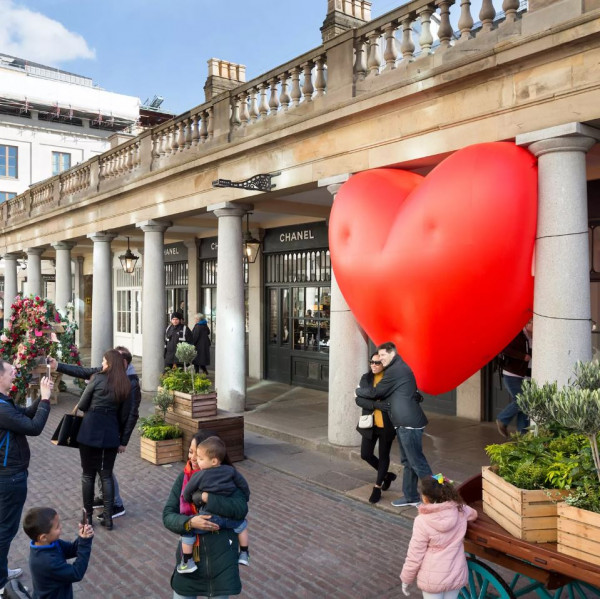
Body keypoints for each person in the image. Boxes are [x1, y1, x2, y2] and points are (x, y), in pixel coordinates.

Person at [48, 346, 141, 519]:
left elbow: (131, 414)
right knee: (103, 472)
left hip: (106, 433)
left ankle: (115, 504)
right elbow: (84, 371)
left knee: (100, 472)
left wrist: (123, 440)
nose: (103, 364)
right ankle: (106, 504)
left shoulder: (131, 382)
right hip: (106, 432)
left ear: (123, 362)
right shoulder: (106, 373)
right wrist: (58, 366)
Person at [163, 433, 248, 599]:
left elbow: (240, 508)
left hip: (222, 563)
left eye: (198, 454)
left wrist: (209, 498)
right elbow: (168, 515)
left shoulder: (227, 477)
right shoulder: (184, 478)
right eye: (190, 452)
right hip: (190, 561)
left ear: (214, 457)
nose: (193, 458)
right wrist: (190, 522)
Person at [355, 341, 433, 508]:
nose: (380, 359)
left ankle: (438, 497)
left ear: (392, 354)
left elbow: (377, 392)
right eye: (377, 356)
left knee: (417, 462)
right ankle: (411, 496)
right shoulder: (397, 368)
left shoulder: (395, 370)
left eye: (382, 356)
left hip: (408, 423)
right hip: (404, 423)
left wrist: (357, 390)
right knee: (408, 461)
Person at [0, 363, 53, 595]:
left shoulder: (4, 404)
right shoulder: (1, 409)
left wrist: (42, 398)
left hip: (10, 475)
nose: (15, 373)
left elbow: (23, 415)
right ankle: (1, 582)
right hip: (10, 477)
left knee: (3, 528)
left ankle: (1, 571)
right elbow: (33, 427)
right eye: (11, 371)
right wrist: (45, 400)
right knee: (4, 530)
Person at [76, 349, 131, 530]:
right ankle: (108, 519)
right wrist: (122, 439)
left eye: (104, 361)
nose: (102, 364)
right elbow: (125, 416)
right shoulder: (125, 384)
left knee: (87, 475)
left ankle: (87, 518)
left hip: (89, 431)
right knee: (106, 474)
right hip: (110, 434)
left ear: (110, 363)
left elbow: (83, 404)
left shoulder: (97, 379)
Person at [178, 437, 250, 575]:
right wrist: (245, 496)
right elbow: (244, 486)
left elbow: (186, 493)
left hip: (210, 517)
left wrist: (192, 500)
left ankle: (187, 561)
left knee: (188, 530)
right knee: (242, 526)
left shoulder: (200, 475)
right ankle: (245, 553)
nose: (197, 460)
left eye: (200, 458)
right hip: (230, 519)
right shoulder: (231, 471)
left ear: (214, 461)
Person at [399, 475, 477, 599]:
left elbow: (415, 555)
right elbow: (473, 514)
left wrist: (406, 578)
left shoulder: (422, 521)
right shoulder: (460, 511)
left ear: (425, 498)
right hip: (456, 574)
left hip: (432, 578)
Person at [23, 506, 93, 599]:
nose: (61, 527)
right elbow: (76, 573)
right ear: (43, 537)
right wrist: (85, 543)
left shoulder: (50, 543)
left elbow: (71, 549)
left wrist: (83, 537)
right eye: (57, 527)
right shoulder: (47, 562)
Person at [355, 353, 397, 504]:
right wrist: (375, 404)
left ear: (384, 364)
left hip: (387, 425)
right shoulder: (365, 378)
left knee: (384, 455)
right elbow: (358, 400)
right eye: (371, 362)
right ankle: (387, 476)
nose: (373, 365)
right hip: (369, 424)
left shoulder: (391, 380)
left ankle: (377, 487)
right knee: (365, 454)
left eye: (377, 363)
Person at [496, 319, 533, 437]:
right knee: (522, 400)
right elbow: (503, 348)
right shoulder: (518, 335)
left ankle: (523, 434)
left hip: (525, 375)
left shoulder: (533, 337)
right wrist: (522, 356)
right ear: (527, 324)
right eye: (534, 323)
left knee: (525, 405)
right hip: (512, 374)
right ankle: (502, 419)